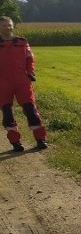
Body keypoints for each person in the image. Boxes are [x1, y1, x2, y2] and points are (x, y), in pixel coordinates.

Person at [0, 16, 47, 151]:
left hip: (22, 81)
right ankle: (15, 142)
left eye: (9, 25)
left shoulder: (22, 41)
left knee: (31, 110)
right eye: (4, 26)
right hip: (3, 83)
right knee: (7, 113)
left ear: (13, 26)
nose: (8, 28)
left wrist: (30, 72)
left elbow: (30, 58)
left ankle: (40, 139)